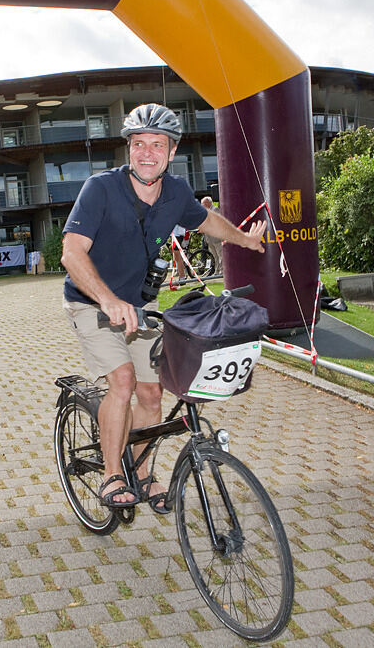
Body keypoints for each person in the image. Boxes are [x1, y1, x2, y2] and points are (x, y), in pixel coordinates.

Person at [61, 103, 266, 511]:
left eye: (157, 144)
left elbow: (206, 221)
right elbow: (71, 253)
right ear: (129, 149)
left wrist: (242, 239)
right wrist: (108, 299)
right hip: (91, 302)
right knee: (121, 380)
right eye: (139, 144)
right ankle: (111, 476)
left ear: (172, 152)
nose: (147, 152)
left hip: (140, 303)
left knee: (152, 392)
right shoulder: (100, 189)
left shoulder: (175, 193)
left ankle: (140, 471)